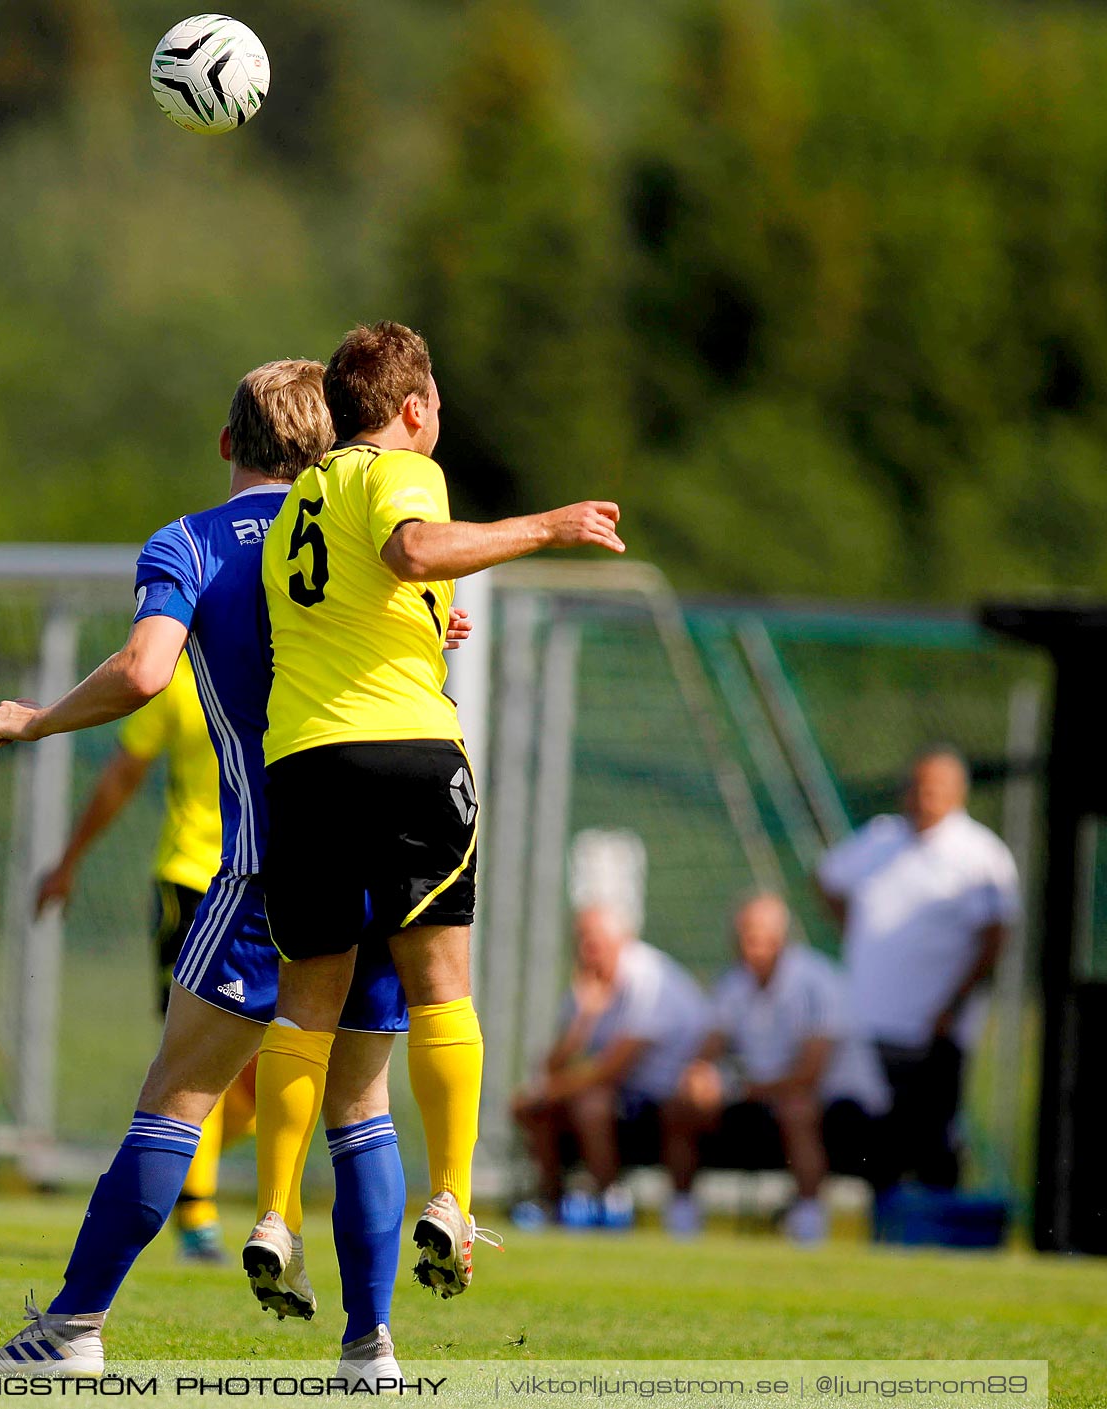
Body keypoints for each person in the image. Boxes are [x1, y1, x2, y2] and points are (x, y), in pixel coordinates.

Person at [0, 359, 454, 1385]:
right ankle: (370, 1351)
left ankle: (71, 1330)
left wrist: (40, 717)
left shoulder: (191, 540)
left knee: (176, 1097)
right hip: (381, 858)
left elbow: (148, 669)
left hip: (265, 866)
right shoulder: (358, 524)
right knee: (359, 1105)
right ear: (329, 445)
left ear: (227, 442)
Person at [249, 319, 626, 1302]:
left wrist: (424, 617)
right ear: (412, 409)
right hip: (408, 757)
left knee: (307, 1006)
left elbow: (356, 598)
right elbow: (415, 546)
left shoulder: (301, 501)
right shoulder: (398, 471)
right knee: (439, 990)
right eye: (439, 411)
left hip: (304, 763)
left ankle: (277, 1210)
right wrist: (549, 526)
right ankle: (453, 1199)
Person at [34, 658, 256, 1263]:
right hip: (194, 882)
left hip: (272, 882)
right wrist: (70, 860)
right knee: (197, 1051)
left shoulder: (297, 653)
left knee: (263, 1081)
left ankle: (164, 1160)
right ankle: (197, 1216)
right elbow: (122, 775)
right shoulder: (178, 679)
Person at [815, 745, 1019, 1191]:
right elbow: (827, 878)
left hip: (933, 1032)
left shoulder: (981, 856)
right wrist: (857, 933)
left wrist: (952, 1006)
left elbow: (995, 938)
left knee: (932, 1140)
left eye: (934, 789)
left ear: (957, 793)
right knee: (870, 1139)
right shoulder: (880, 838)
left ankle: (938, 1236)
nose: (922, 797)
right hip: (870, 1025)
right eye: (917, 787)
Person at [661, 893, 889, 1243]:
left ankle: (810, 1220)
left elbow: (808, 1076)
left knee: (797, 1109)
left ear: (782, 938)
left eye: (761, 938)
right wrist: (698, 1077)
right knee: (680, 1106)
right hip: (765, 1100)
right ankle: (681, 1215)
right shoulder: (733, 984)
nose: (752, 948)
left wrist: (737, 1088)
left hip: (843, 1109)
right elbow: (710, 1046)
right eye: (744, 938)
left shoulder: (819, 983)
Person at [510, 904, 707, 1229]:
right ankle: (551, 1203)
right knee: (541, 1111)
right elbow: (553, 1067)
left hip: (668, 1095)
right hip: (627, 1096)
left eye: (595, 942)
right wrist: (582, 1021)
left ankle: (609, 1201)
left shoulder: (649, 979)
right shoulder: (585, 987)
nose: (587, 951)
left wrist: (542, 1092)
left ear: (623, 941)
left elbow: (610, 1069)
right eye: (581, 942)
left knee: (590, 1105)